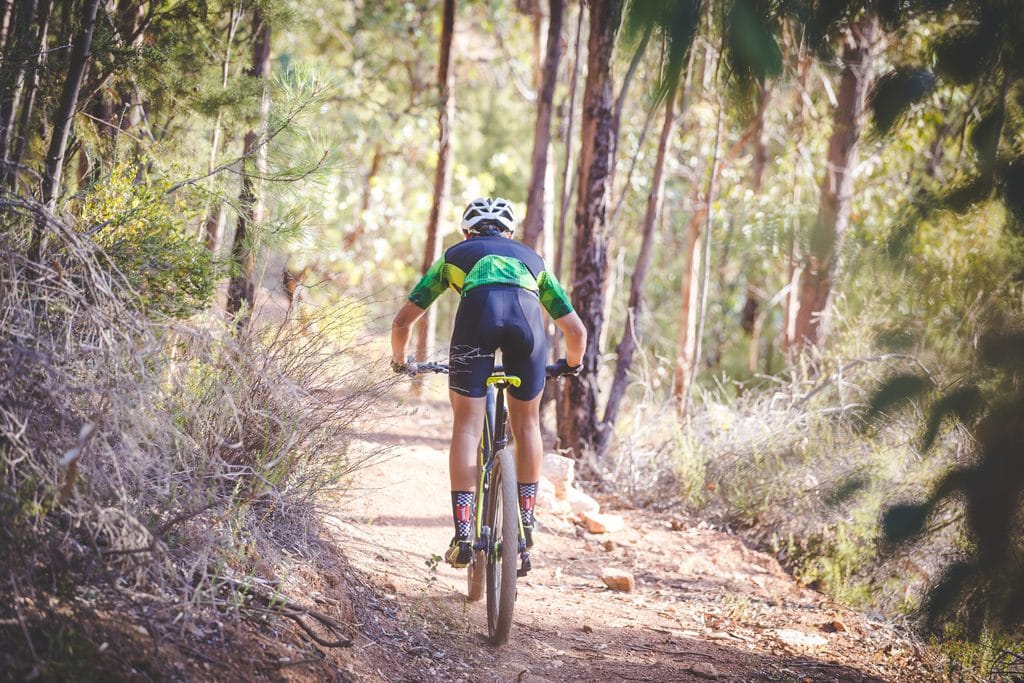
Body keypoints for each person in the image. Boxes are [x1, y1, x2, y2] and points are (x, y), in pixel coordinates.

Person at [390, 197, 587, 567]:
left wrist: (401, 361)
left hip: (475, 326)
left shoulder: (455, 256)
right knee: (527, 424)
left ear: (468, 231)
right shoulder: (535, 262)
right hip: (527, 333)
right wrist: (570, 366)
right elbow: (576, 330)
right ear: (510, 232)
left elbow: (403, 321)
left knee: (467, 426)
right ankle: (525, 526)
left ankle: (463, 535)